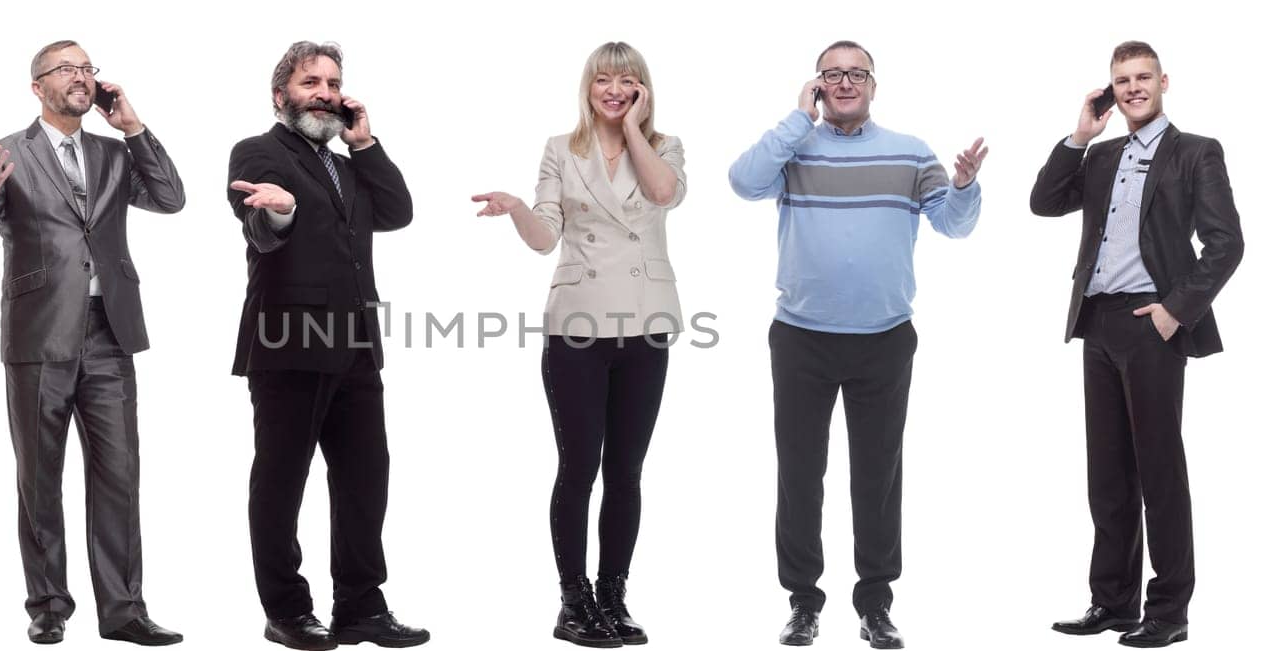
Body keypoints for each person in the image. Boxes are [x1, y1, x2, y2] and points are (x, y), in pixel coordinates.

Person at [728, 39, 987, 650]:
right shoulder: (794, 147)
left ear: (874, 85)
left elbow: (954, 224)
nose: (845, 82)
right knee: (800, 473)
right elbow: (742, 183)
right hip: (801, 338)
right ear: (818, 85)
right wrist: (797, 119)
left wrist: (965, 186)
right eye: (832, 75)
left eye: (857, 74)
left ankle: (875, 604)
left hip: (883, 340)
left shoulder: (909, 151)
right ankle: (803, 603)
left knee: (877, 476)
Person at [0, 39, 185, 646]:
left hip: (110, 329)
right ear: (38, 86)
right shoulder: (6, 153)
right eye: (67, 69)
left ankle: (125, 610)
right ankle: (49, 604)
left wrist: (134, 128)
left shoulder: (113, 152)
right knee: (40, 476)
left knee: (119, 474)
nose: (81, 78)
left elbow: (170, 198)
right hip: (38, 334)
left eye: (88, 69)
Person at [471, 40, 685, 649]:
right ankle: (574, 603)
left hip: (645, 324)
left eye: (626, 81)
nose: (613, 90)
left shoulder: (666, 146)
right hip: (578, 328)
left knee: (627, 472)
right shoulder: (560, 150)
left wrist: (637, 129)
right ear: (587, 88)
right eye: (603, 81)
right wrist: (516, 209)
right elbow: (545, 238)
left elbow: (664, 194)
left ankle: (613, 596)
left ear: (642, 89)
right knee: (579, 468)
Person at [1031, 40, 1243, 649]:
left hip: (1153, 324)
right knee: (1109, 475)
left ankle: (1170, 610)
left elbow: (1227, 243)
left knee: (1159, 471)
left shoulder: (1196, 152)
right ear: (1110, 90)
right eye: (1121, 80)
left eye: (1142, 77)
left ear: (1164, 82)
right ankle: (1113, 602)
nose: (1132, 88)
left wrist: (1175, 311)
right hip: (1096, 324)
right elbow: (1044, 202)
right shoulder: (1100, 158)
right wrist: (1079, 135)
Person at [227, 40, 428, 651]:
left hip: (356, 343)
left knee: (366, 478)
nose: (325, 91)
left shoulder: (346, 161)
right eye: (310, 80)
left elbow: (398, 212)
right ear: (280, 94)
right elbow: (257, 227)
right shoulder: (259, 151)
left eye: (333, 81)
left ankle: (362, 608)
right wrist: (280, 211)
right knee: (282, 480)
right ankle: (286, 610)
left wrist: (364, 143)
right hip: (288, 341)